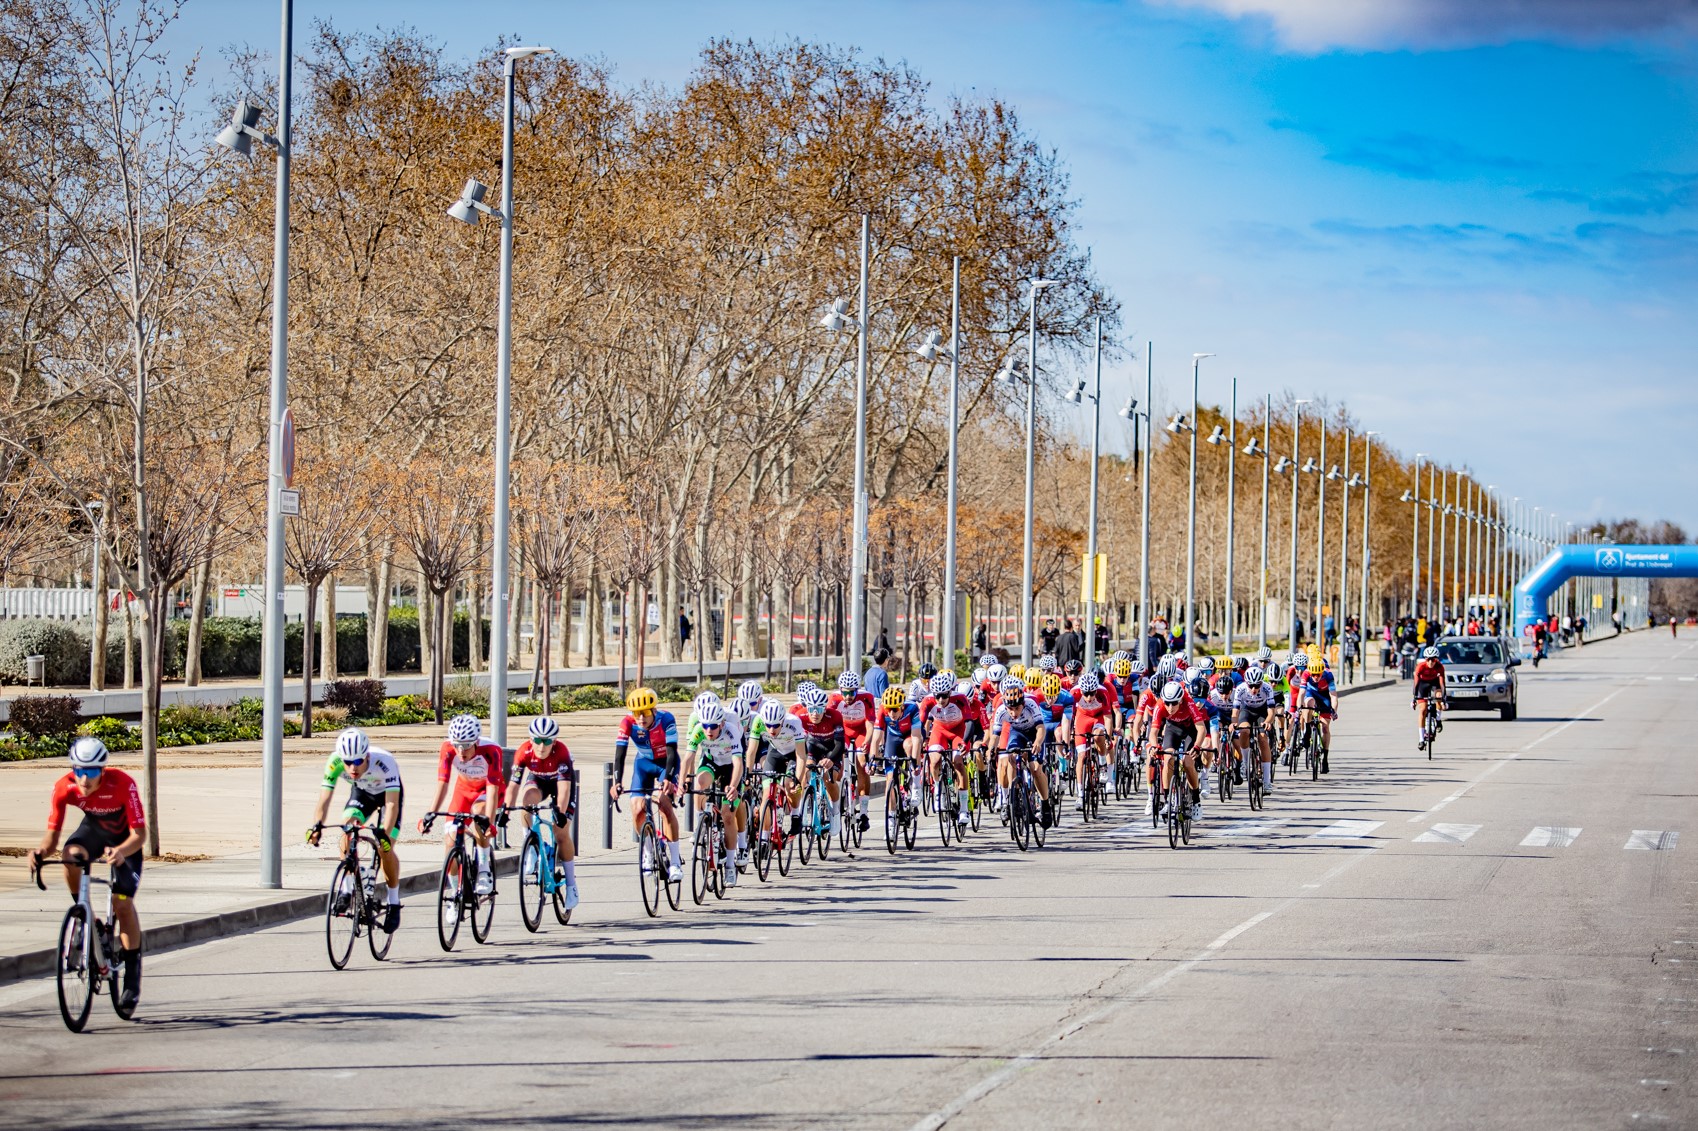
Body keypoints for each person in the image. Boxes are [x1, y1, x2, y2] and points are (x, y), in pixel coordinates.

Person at [28, 737, 145, 1011]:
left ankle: (132, 976)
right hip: (93, 833)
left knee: (122, 904)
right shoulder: (64, 787)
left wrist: (121, 851)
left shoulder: (123, 784)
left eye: (91, 771)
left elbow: (140, 835)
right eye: (79, 770)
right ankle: (85, 915)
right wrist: (40, 852)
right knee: (70, 855)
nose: (84, 778)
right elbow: (52, 839)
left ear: (102, 770)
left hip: (125, 842)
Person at [309, 727, 404, 933]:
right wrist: (317, 825)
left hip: (388, 797)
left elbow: (392, 805)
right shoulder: (334, 761)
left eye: (359, 761)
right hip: (362, 794)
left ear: (367, 756)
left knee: (385, 848)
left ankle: (394, 901)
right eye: (348, 762)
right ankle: (346, 889)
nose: (353, 767)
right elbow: (324, 799)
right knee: (348, 829)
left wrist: (384, 834)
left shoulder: (385, 762)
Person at [421, 714, 505, 897]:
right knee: (450, 844)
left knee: (479, 812)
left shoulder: (491, 750)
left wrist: (489, 822)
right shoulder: (447, 748)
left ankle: (484, 869)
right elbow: (443, 784)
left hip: (488, 791)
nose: (461, 751)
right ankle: (455, 894)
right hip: (464, 792)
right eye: (457, 745)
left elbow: (492, 790)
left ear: (476, 742)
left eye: (466, 745)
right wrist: (430, 813)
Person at [502, 714, 579, 910]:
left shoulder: (561, 752)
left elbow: (564, 789)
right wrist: (506, 810)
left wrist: (560, 813)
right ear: (531, 739)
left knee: (560, 833)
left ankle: (571, 886)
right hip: (539, 780)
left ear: (554, 741)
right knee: (527, 800)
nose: (542, 746)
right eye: (537, 740)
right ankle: (530, 846)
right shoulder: (524, 752)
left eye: (546, 741)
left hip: (561, 784)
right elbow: (513, 786)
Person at [610, 687, 683, 882]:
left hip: (666, 764)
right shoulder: (627, 723)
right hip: (643, 764)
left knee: (664, 804)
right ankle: (648, 851)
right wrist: (617, 783)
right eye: (637, 713)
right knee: (636, 808)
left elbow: (672, 752)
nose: (641, 718)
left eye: (645, 713)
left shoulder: (666, 719)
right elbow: (619, 756)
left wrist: (668, 779)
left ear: (654, 710)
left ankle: (675, 861)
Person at [682, 694, 745, 886]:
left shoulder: (731, 730)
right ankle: (701, 821)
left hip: (731, 767)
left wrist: (733, 786)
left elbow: (738, 763)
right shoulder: (699, 730)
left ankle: (730, 866)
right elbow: (688, 758)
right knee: (700, 782)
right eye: (705, 726)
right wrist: (681, 782)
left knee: (727, 815)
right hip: (711, 762)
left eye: (713, 726)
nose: (708, 730)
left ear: (722, 723)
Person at [1411, 645, 1446, 751]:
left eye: (1433, 659)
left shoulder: (1439, 666)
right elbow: (1416, 683)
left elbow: (1442, 683)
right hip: (1423, 684)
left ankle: (1438, 720)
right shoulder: (1421, 666)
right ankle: (1421, 740)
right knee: (1422, 710)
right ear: (1425, 659)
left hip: (1435, 683)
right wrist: (1414, 698)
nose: (1431, 662)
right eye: (1428, 659)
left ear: (1436, 659)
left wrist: (1444, 698)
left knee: (1438, 697)